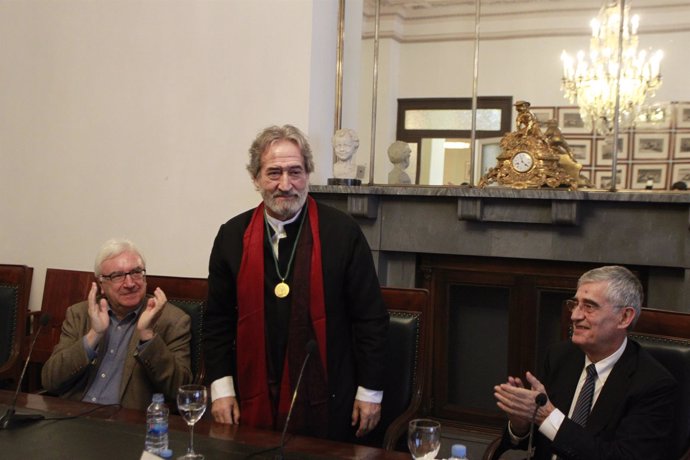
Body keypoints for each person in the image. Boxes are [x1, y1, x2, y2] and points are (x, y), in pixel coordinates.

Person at [204, 124, 389, 442]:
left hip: (331, 396)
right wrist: (221, 390)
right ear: (256, 178)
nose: (285, 185)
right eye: (273, 173)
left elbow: (370, 319)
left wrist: (370, 392)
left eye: (295, 172)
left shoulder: (343, 233)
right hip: (250, 397)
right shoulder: (231, 236)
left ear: (308, 175)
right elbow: (217, 323)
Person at [493, 265, 677, 460]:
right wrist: (521, 425)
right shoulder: (560, 357)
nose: (574, 316)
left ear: (624, 317)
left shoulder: (653, 385)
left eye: (589, 306)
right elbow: (537, 440)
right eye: (575, 304)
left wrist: (548, 417)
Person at [41, 238, 193, 410]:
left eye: (136, 272)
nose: (130, 284)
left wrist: (147, 336)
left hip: (127, 424)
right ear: (102, 285)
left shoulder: (173, 320)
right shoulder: (80, 314)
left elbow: (181, 390)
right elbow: (50, 381)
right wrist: (94, 335)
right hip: (74, 415)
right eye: (117, 276)